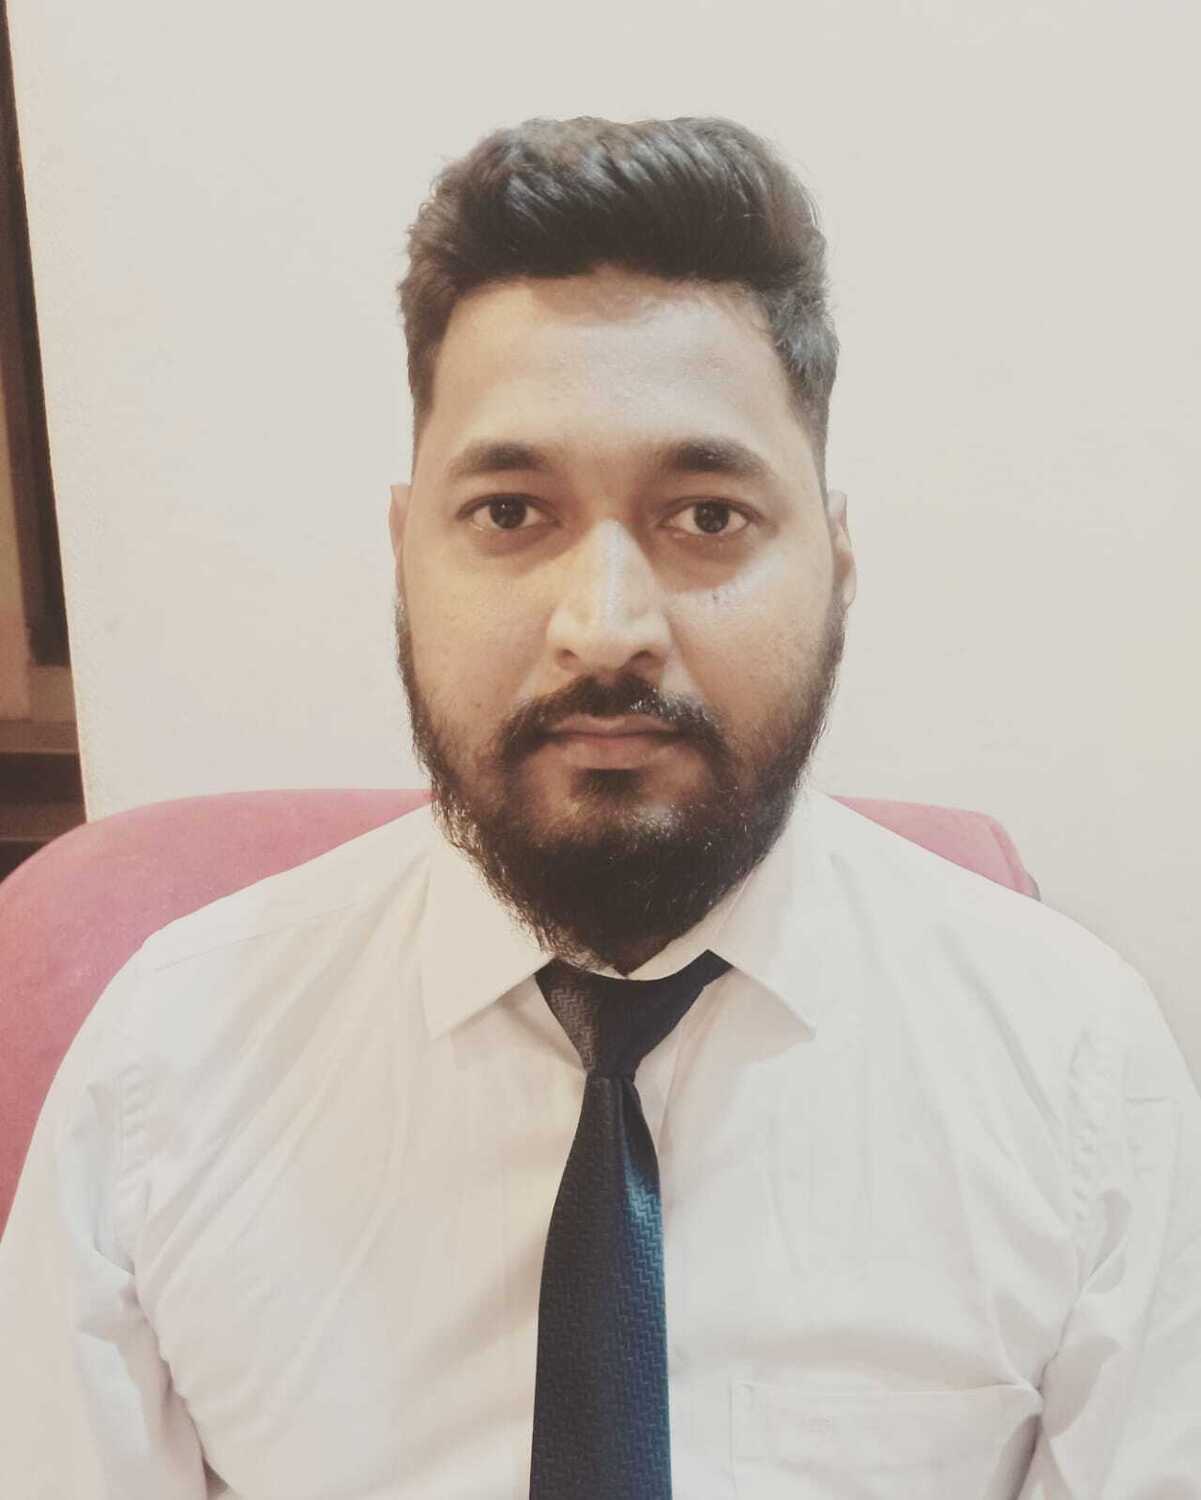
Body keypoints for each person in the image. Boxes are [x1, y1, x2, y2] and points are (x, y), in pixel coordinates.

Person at [1, 114, 1198, 1499]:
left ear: (837, 560)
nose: (606, 625)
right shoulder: (168, 1065)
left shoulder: (1074, 1069)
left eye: (707, 516)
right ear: (405, 553)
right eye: (511, 513)